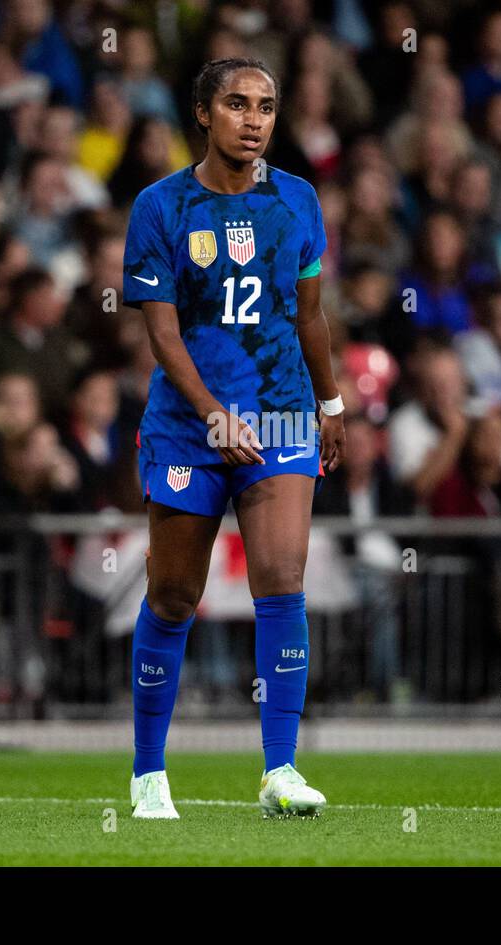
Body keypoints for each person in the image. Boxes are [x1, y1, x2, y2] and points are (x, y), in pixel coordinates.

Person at [121, 57, 345, 819]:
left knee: (281, 579)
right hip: (190, 427)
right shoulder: (160, 207)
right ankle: (149, 772)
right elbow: (163, 333)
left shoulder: (300, 202)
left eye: (268, 106)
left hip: (282, 414)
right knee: (175, 596)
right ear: (204, 114)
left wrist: (332, 403)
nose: (255, 119)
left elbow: (309, 316)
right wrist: (215, 411)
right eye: (238, 104)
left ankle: (280, 770)